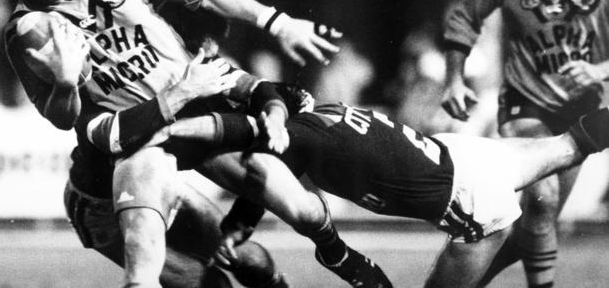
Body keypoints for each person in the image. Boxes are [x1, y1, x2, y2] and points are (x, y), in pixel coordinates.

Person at [0, 0, 344, 288]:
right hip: (107, 190)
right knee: (207, 284)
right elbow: (67, 121)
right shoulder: (28, 30)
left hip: (162, 149)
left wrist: (278, 24)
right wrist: (64, 82)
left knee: (247, 257)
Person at [142, 96, 609, 288]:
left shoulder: (295, 137)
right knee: (572, 143)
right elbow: (271, 170)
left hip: (469, 200)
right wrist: (237, 228)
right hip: (468, 156)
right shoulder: (308, 112)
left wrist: (163, 129)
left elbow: (232, 132)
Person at [440, 0, 609, 287]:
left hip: (583, 110)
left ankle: (463, 280)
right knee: (543, 199)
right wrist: (454, 80)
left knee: (537, 223)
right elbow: (463, 19)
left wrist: (600, 70)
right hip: (523, 107)